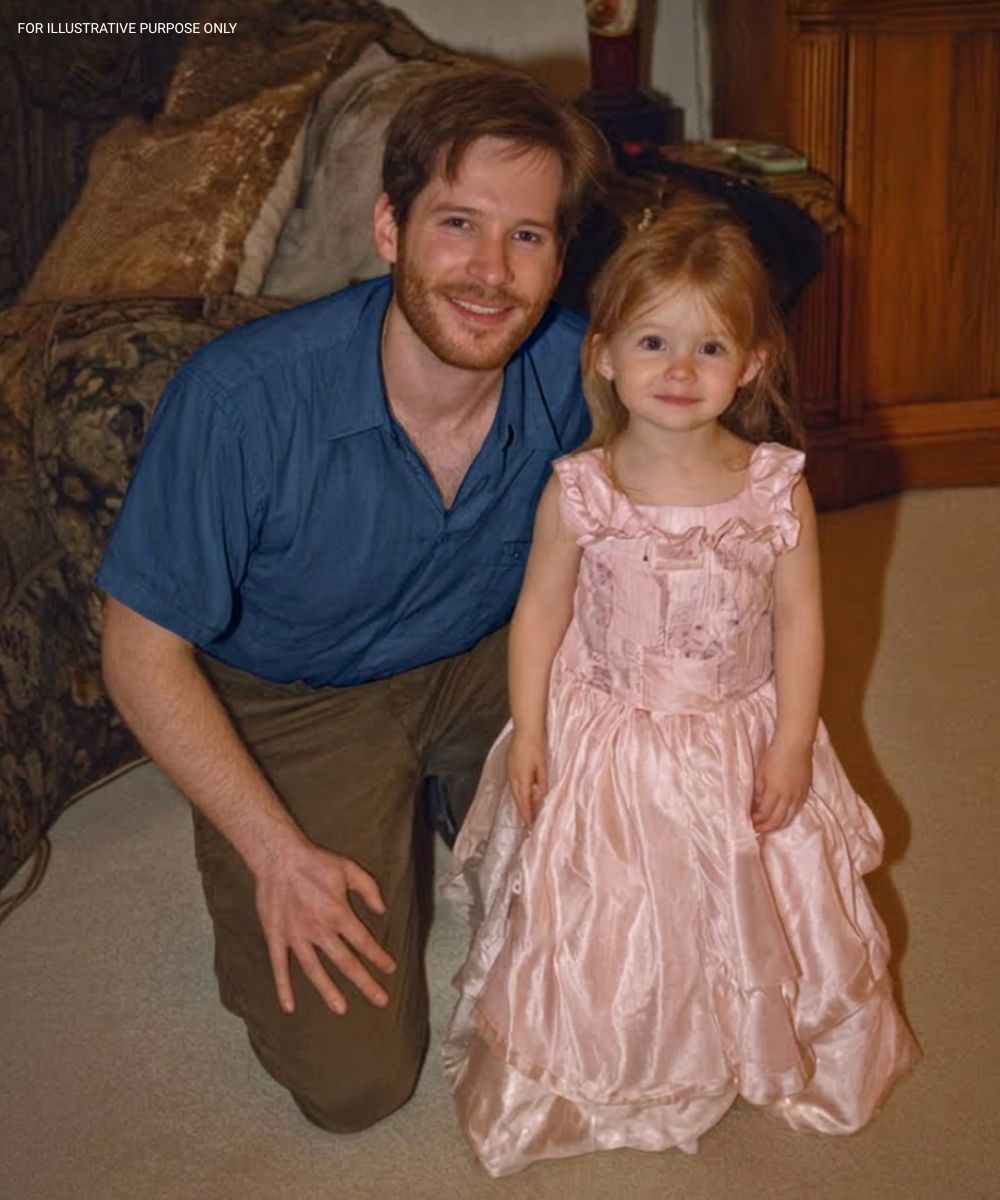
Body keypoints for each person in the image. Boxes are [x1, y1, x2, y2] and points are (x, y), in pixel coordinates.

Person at [96, 67, 610, 1132]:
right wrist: (274, 851)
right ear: (389, 228)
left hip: (486, 657)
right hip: (293, 698)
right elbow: (139, 654)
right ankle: (325, 827)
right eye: (457, 223)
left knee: (633, 907)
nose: (490, 272)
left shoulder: (581, 372)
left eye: (526, 236)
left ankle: (452, 798)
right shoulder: (239, 401)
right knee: (355, 1084)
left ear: (560, 257)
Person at [442, 205, 920, 1176]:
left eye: (709, 347)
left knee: (749, 902)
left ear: (750, 365)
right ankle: (623, 1060)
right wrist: (529, 731)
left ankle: (751, 1039)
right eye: (653, 341)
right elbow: (539, 612)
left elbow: (801, 621)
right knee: (614, 914)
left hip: (738, 735)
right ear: (605, 355)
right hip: (609, 743)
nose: (679, 369)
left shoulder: (775, 487)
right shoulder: (581, 487)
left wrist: (792, 741)